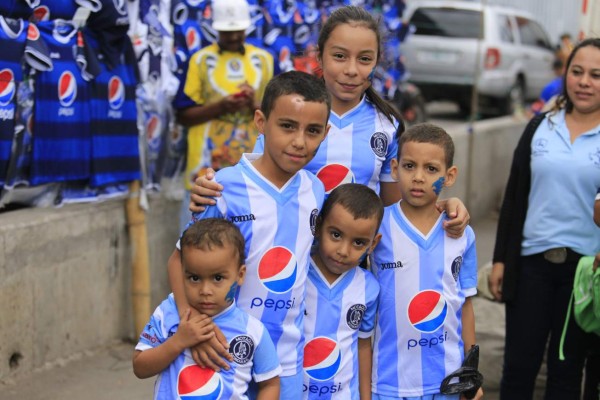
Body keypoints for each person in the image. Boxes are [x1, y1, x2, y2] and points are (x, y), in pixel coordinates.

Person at [190, 5, 470, 237]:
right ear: (320, 55)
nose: (350, 70)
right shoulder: (289, 112)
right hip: (287, 264)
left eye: (364, 59)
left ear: (376, 62)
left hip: (352, 275)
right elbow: (253, 185)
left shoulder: (387, 125)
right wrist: (212, 190)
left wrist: (446, 205)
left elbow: (398, 211)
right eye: (339, 56)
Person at [168, 70, 331, 399]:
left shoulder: (316, 191)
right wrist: (194, 328)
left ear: (326, 133)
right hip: (223, 352)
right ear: (261, 121)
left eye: (312, 131)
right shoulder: (225, 186)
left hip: (286, 360)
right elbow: (179, 259)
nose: (299, 141)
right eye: (287, 126)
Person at [488, 38, 600, 399]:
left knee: (566, 372)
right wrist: (501, 259)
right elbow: (515, 196)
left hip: (584, 273)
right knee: (518, 369)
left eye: (596, 75)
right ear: (566, 74)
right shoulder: (540, 126)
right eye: (577, 71)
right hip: (531, 264)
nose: (584, 82)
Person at [370, 123, 483, 400]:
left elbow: (465, 303)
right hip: (389, 383)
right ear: (394, 168)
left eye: (431, 169)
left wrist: (470, 374)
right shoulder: (376, 228)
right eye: (409, 166)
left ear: (450, 176)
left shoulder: (462, 233)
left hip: (448, 382)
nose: (418, 177)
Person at [133, 218, 281, 399]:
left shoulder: (253, 331)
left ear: (240, 275)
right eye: (194, 278)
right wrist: (179, 341)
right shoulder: (168, 312)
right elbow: (140, 367)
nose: (205, 291)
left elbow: (270, 384)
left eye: (217, 278)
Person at [175, 0, 274, 231]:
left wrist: (252, 104)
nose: (233, 37)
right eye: (227, 32)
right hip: (205, 164)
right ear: (216, 29)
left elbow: (279, 114)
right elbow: (183, 115)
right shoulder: (200, 61)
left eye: (237, 31)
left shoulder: (264, 61)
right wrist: (221, 107)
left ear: (246, 28)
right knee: (197, 232)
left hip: (253, 164)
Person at [304, 183, 383, 399]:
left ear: (373, 244)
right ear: (318, 226)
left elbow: (363, 346)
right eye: (336, 235)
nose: (343, 251)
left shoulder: (369, 288)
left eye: (358, 242)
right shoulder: (298, 275)